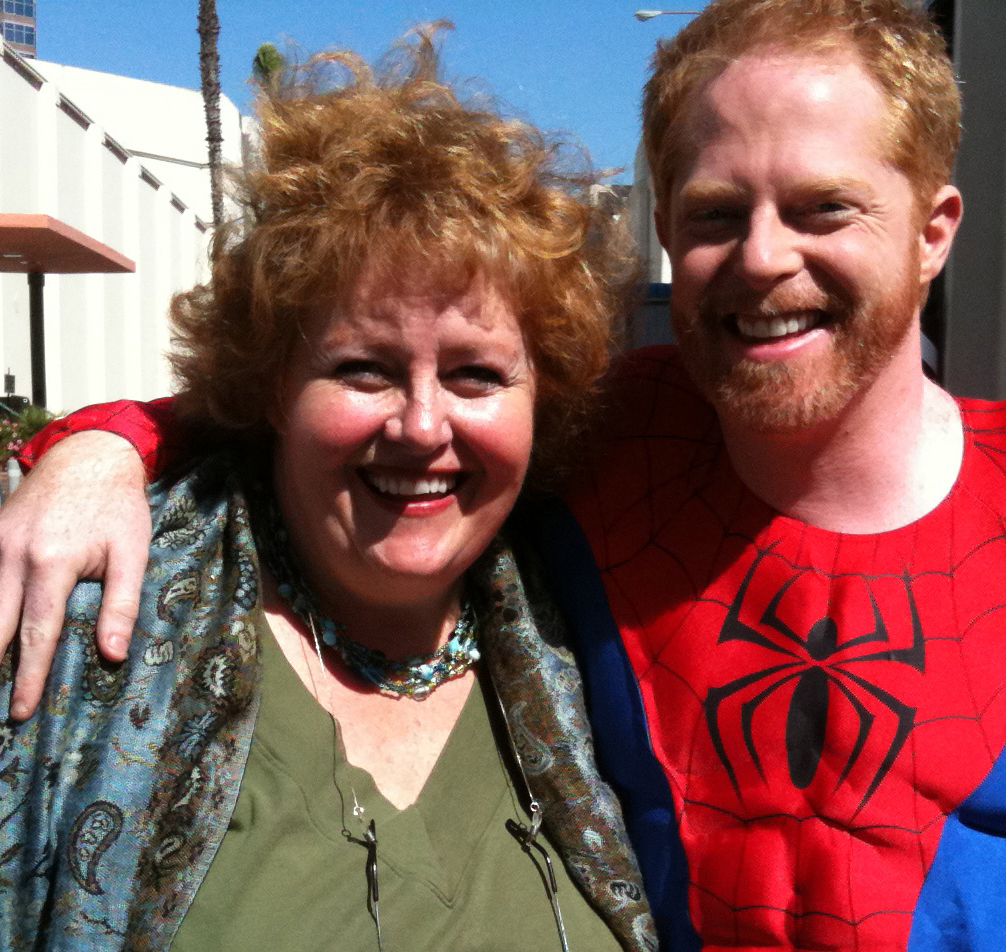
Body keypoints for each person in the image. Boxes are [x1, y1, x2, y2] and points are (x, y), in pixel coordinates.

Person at [4, 1, 1006, 949]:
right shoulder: (612, 439)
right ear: (668, 227)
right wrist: (102, 441)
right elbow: (328, 392)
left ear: (934, 228)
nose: (763, 260)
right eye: (718, 213)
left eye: (824, 208)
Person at [0, 31, 657, 952]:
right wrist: (99, 445)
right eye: (363, 368)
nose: (423, 426)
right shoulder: (91, 621)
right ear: (274, 384)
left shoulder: (602, 621)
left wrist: (101, 436)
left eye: (475, 374)